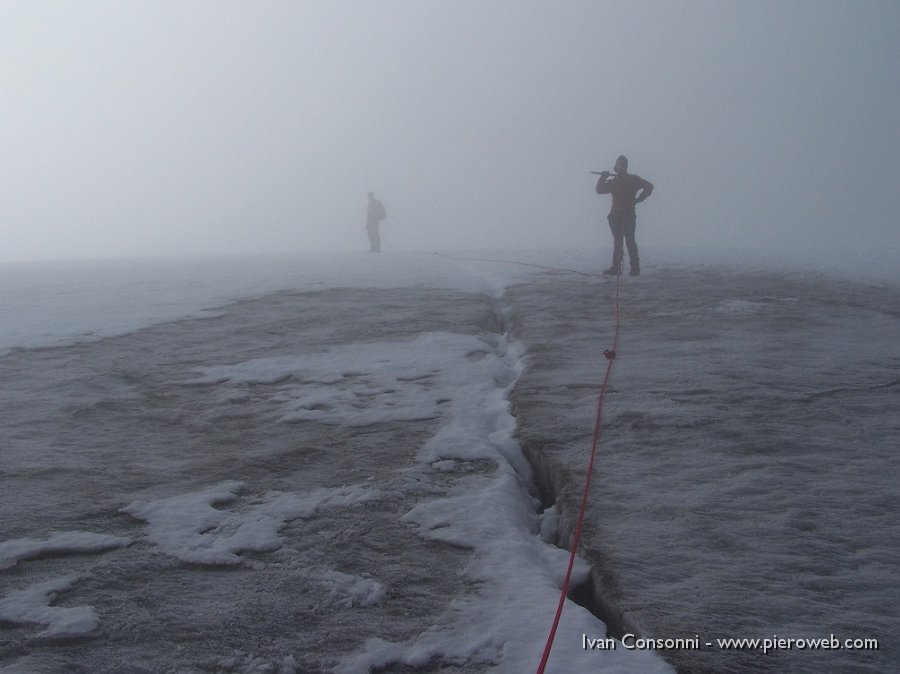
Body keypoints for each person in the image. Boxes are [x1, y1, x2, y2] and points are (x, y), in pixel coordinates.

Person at [595, 155, 653, 276]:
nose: (621, 167)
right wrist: (602, 178)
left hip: (629, 213)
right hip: (616, 214)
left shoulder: (633, 179)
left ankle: (634, 268)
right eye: (619, 165)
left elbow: (649, 186)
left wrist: (639, 199)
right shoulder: (615, 182)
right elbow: (599, 190)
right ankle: (617, 267)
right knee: (618, 241)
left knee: (630, 240)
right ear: (616, 167)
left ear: (626, 167)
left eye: (622, 165)